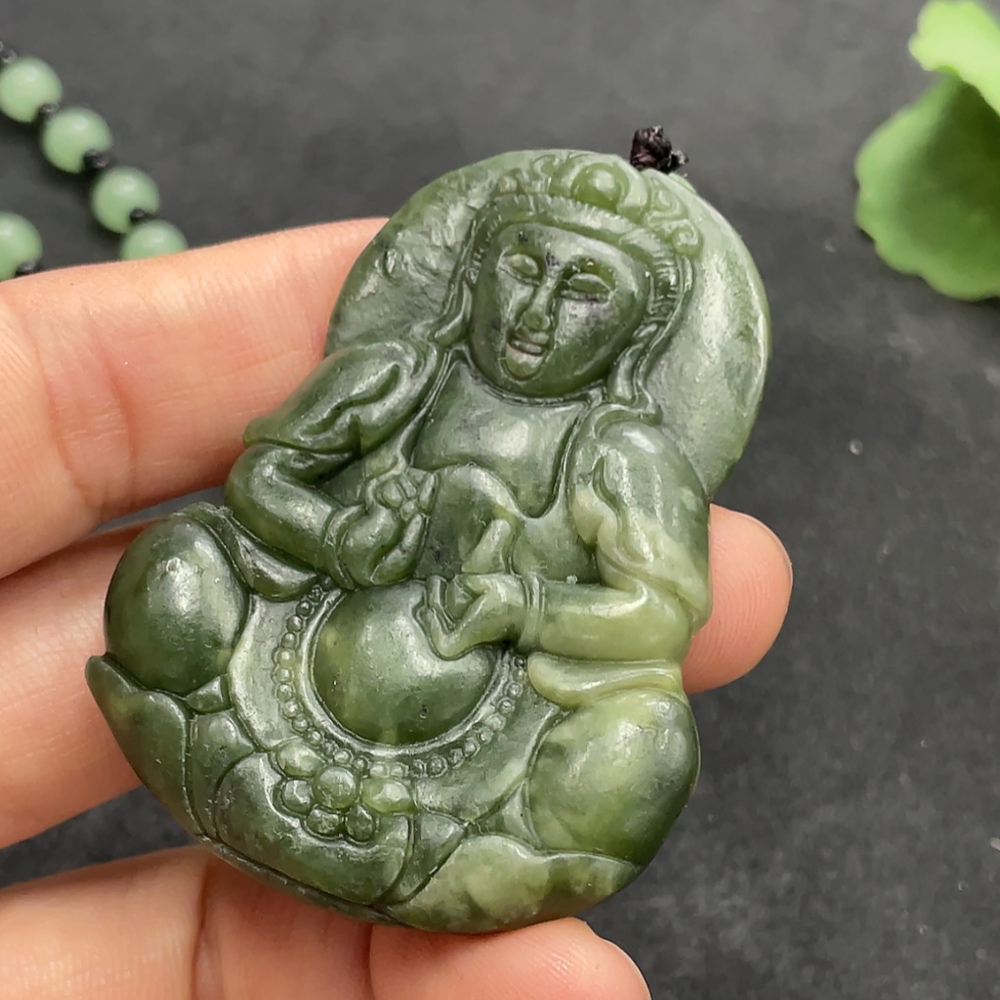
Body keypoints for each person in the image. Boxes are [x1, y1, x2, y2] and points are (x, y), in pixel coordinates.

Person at [0, 220, 791, 1000]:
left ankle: (442, 848)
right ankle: (229, 748)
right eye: (522, 269)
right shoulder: (396, 374)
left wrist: (525, 605)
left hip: (492, 752)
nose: (537, 313)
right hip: (279, 661)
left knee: (646, 743)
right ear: (472, 273)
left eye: (585, 291)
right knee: (177, 567)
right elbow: (262, 480)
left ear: (637, 334)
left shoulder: (624, 454)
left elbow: (656, 618)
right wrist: (335, 535)